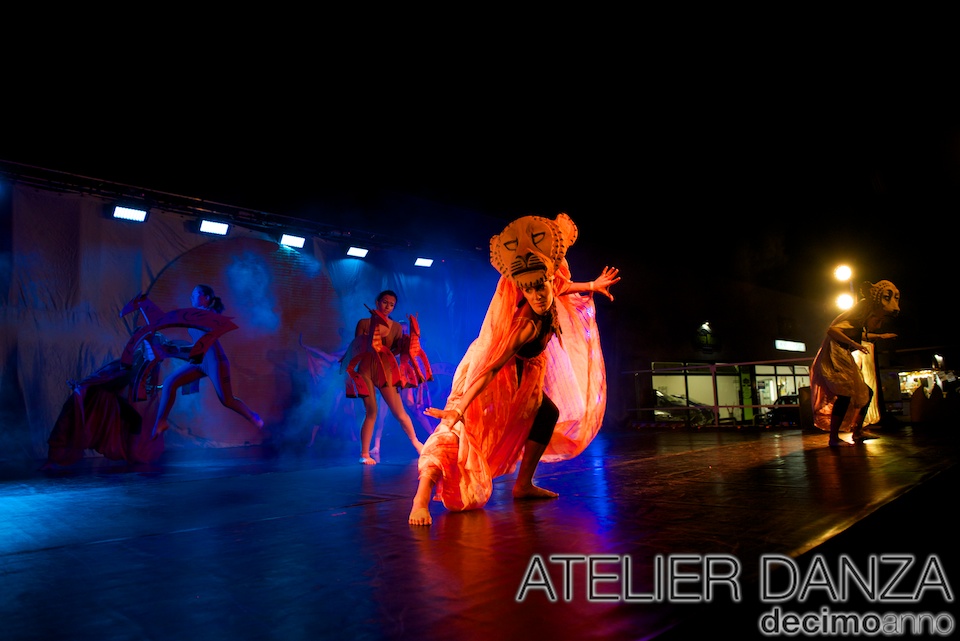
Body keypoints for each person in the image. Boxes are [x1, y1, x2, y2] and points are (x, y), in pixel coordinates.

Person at [409, 212, 620, 526]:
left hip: (527, 380)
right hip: (499, 378)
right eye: (529, 290)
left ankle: (523, 484)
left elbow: (562, 286)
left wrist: (592, 284)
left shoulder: (551, 287)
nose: (537, 296)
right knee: (462, 432)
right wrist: (459, 408)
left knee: (546, 414)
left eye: (541, 287)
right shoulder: (525, 326)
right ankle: (421, 499)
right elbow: (492, 368)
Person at [150, 284, 263, 439]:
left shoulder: (209, 314)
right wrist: (176, 348)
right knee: (170, 382)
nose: (191, 297)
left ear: (206, 298)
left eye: (195, 294)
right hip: (200, 362)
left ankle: (252, 416)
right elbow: (197, 346)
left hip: (216, 362)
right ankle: (161, 422)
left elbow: (210, 326)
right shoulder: (195, 315)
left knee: (227, 400)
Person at [810, 280, 900, 447]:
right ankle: (834, 438)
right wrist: (854, 345)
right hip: (835, 355)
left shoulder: (862, 315)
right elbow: (832, 330)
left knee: (866, 392)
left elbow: (855, 335)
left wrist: (881, 336)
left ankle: (857, 431)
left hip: (842, 354)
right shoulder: (861, 309)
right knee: (845, 395)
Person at [341, 290, 424, 464]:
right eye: (385, 302)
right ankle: (364, 454)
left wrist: (408, 343)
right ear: (377, 302)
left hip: (385, 371)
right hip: (366, 370)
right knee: (371, 411)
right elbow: (358, 346)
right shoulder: (364, 323)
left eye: (391, 304)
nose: (387, 306)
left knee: (399, 412)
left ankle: (416, 443)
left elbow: (396, 352)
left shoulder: (396, 327)